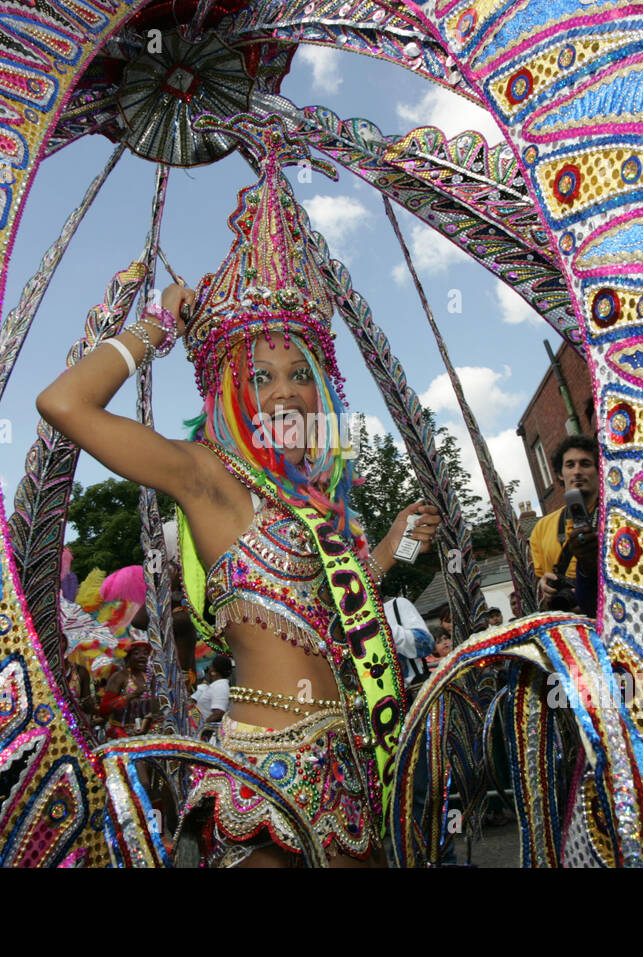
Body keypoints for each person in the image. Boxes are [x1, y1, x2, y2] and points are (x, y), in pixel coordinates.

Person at [37, 129, 441, 867]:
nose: (284, 389)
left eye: (298, 373)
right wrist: (155, 326)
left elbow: (328, 616)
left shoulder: (320, 504)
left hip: (353, 763)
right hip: (264, 775)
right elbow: (65, 404)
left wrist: (391, 547)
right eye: (261, 375)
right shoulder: (209, 477)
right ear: (231, 388)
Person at [529, 435, 600, 616]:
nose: (577, 471)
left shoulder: (617, 517)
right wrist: (543, 587)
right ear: (560, 474)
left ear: (599, 470)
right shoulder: (542, 528)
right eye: (570, 465)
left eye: (585, 464)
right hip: (565, 625)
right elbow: (537, 581)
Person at [98, 640, 158, 738]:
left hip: (148, 733)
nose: (142, 656)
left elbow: (159, 707)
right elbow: (104, 709)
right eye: (136, 653)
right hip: (121, 734)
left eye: (146, 653)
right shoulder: (119, 677)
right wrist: (131, 695)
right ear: (128, 658)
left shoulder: (153, 677)